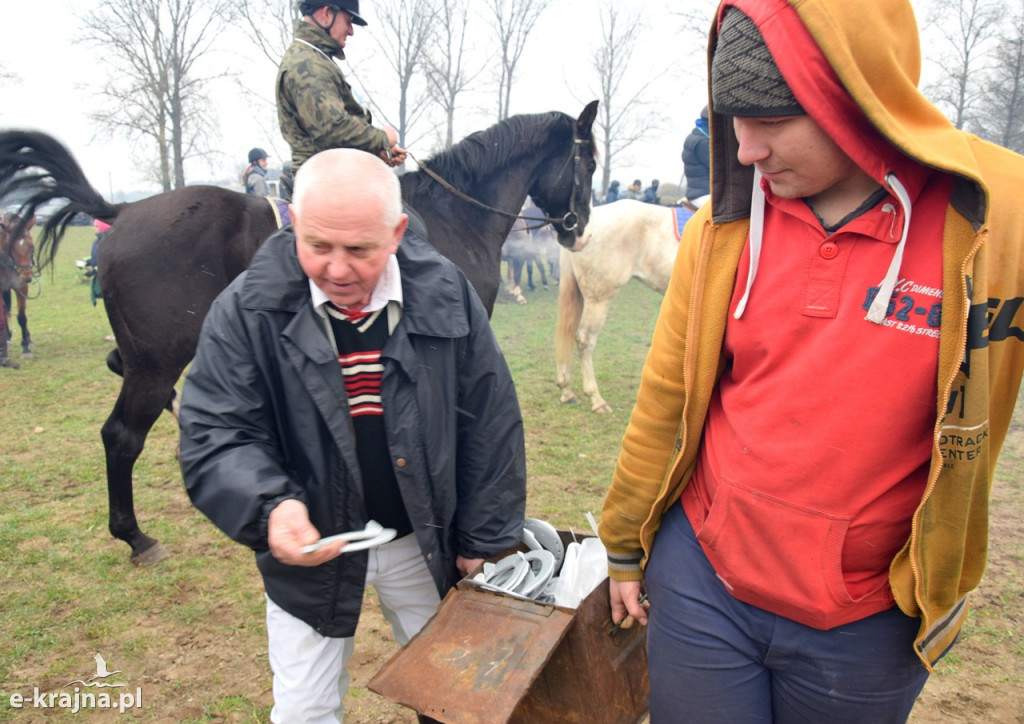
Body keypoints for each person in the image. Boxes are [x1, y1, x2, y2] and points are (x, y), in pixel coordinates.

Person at [599, 1, 1024, 722]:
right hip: (704, 591)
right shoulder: (721, 230)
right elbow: (665, 395)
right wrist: (623, 545)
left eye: (770, 119)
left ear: (857, 98)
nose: (744, 151)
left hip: (868, 621)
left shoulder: (997, 217)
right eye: (735, 118)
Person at [178, 148, 527, 723]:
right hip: (312, 551)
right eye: (318, 246)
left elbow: (489, 419)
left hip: (425, 539)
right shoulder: (247, 309)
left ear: (397, 233)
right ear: (292, 222)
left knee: (460, 698)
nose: (337, 270)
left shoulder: (445, 292)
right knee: (305, 711)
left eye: (360, 250)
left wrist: (486, 539)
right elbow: (217, 430)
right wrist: (270, 509)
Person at [276, 0, 407, 173]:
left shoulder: (315, 58)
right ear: (326, 14)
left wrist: (376, 151)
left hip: (333, 176)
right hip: (325, 182)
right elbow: (333, 130)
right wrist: (382, 139)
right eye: (348, 21)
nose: (351, 31)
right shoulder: (308, 63)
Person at [681, 106, 710, 207]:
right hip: (704, 193)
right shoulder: (702, 142)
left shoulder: (697, 136)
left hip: (699, 191)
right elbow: (718, 169)